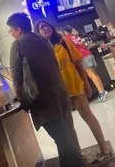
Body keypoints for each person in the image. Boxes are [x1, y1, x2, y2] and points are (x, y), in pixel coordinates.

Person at [7, 13, 86, 167]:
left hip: (43, 101)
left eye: (11, 31)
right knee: (63, 137)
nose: (11, 34)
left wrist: (22, 99)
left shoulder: (18, 45)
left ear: (18, 29)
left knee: (63, 141)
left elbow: (16, 78)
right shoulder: (43, 40)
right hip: (60, 94)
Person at [35, 20, 113, 166]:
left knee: (87, 116)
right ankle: (78, 156)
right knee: (68, 125)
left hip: (75, 87)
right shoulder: (42, 50)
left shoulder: (64, 42)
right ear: (37, 32)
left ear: (51, 27)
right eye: (41, 28)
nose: (45, 29)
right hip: (58, 92)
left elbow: (79, 65)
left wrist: (87, 85)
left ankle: (105, 150)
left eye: (46, 26)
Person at [64, 25, 108, 102]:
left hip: (83, 57)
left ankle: (101, 93)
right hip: (89, 54)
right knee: (95, 74)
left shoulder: (68, 38)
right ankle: (103, 90)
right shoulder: (76, 36)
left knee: (91, 75)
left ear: (66, 32)